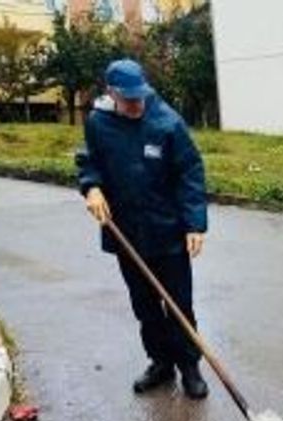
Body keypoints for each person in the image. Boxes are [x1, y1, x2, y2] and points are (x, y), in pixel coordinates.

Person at [76, 58, 210, 399]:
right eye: (129, 99)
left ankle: (190, 367)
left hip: (168, 232)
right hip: (127, 234)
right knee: (145, 305)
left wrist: (195, 224)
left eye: (140, 97)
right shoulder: (98, 122)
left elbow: (190, 173)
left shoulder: (167, 123)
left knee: (179, 304)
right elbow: (90, 161)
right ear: (111, 93)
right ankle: (161, 363)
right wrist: (91, 187)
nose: (136, 104)